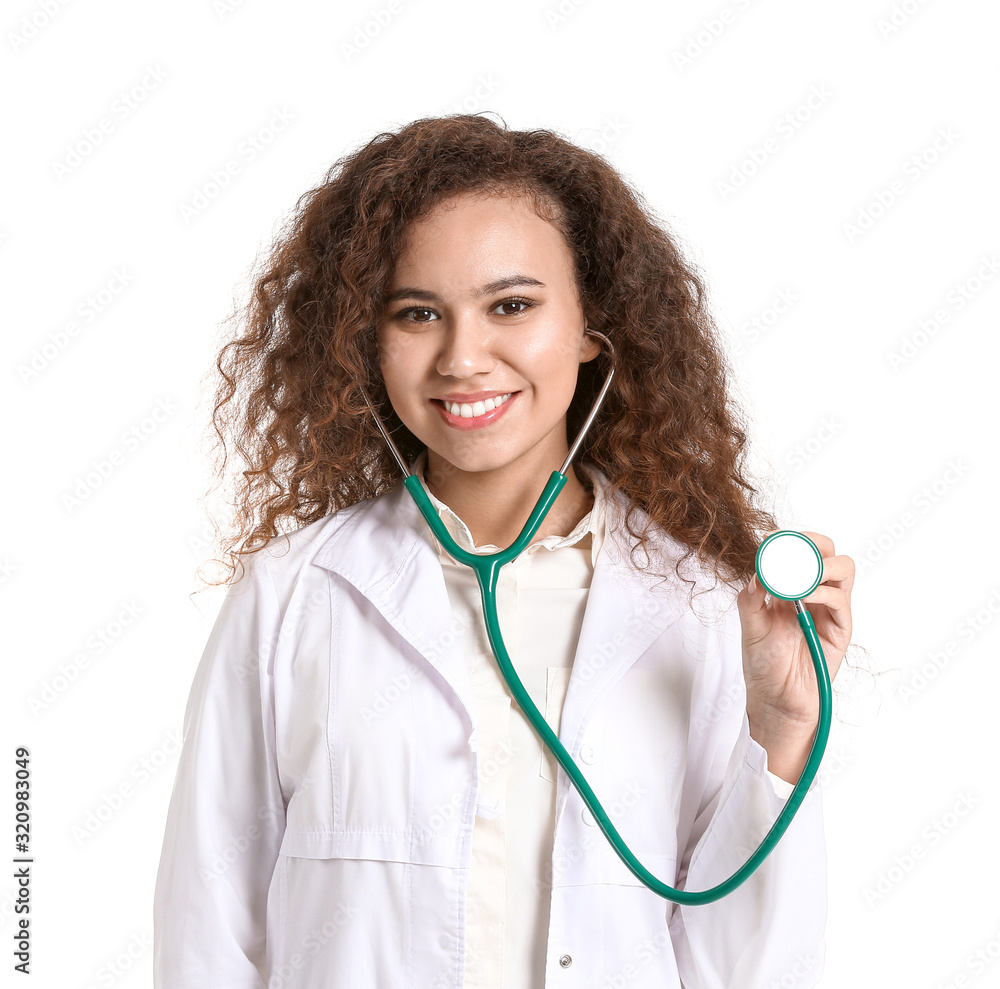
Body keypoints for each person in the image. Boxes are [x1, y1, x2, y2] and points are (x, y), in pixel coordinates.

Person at [152, 113, 854, 989]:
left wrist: (784, 733)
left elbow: (749, 969)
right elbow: (208, 934)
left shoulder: (707, 606)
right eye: (417, 313)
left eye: (512, 306)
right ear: (368, 344)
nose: (463, 356)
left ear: (596, 326)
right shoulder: (294, 592)